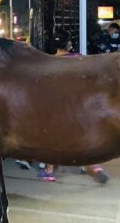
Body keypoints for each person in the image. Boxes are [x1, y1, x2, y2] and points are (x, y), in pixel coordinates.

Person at [39, 30, 109, 183]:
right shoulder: (78, 59)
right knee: (82, 138)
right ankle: (95, 166)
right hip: (79, 106)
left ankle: (49, 171)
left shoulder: (49, 62)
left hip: (59, 108)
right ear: (68, 44)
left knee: (54, 140)